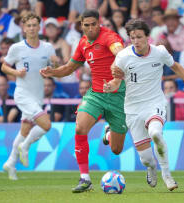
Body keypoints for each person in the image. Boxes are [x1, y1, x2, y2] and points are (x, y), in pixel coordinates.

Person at [103, 18, 184, 191]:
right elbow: (116, 81)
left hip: (154, 103)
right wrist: (110, 86)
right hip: (133, 109)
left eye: (139, 37)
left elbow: (176, 67)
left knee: (156, 132)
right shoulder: (123, 56)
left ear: (147, 37)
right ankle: (151, 168)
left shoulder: (159, 52)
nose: (136, 41)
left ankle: (167, 175)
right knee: (146, 159)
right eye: (132, 37)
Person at [39, 9, 127, 193]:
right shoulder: (83, 43)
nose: (90, 28)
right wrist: (52, 72)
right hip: (96, 93)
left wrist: (119, 54)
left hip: (118, 95)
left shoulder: (109, 36)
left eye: (93, 24)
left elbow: (118, 49)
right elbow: (70, 68)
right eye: (86, 25)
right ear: (81, 26)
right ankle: (85, 179)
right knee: (79, 128)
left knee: (117, 149)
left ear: (99, 23)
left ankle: (109, 132)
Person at [1, 13, 56, 180]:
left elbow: (54, 68)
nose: (32, 28)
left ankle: (10, 163)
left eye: (34, 25)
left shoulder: (47, 48)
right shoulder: (17, 48)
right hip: (22, 94)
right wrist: (16, 72)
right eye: (29, 26)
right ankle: (24, 147)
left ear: (39, 27)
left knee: (24, 130)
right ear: (24, 29)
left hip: (37, 95)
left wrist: (55, 65)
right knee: (46, 125)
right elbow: (4, 66)